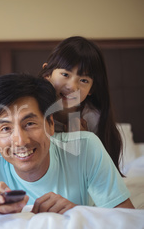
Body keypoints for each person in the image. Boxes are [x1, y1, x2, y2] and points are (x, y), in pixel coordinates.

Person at [0, 73, 134, 214]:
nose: (21, 141)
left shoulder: (86, 148)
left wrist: (78, 212)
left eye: (30, 124)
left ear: (50, 124)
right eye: (5, 128)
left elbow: (127, 220)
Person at [38, 36, 123, 176]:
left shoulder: (93, 119)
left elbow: (99, 174)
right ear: (47, 74)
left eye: (83, 80)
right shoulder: (33, 110)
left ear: (92, 89)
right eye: (65, 74)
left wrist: (83, 140)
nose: (72, 86)